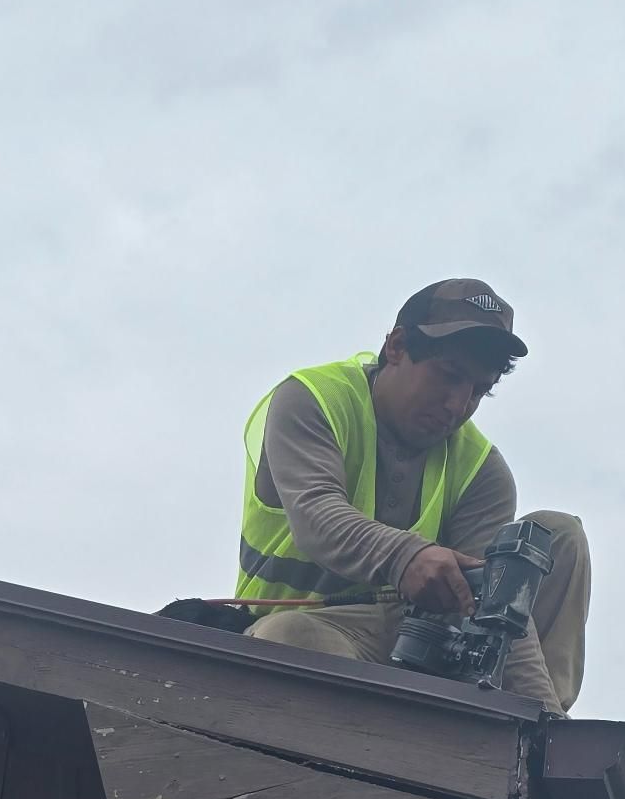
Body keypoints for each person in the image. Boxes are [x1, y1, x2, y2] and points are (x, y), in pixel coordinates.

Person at [238, 279, 588, 714]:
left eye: (480, 390)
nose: (458, 406)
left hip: (430, 644)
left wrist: (547, 721)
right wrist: (408, 556)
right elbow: (317, 516)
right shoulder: (314, 401)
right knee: (291, 639)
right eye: (449, 376)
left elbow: (501, 609)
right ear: (397, 346)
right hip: (320, 632)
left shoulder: (482, 469)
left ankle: (526, 728)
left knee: (559, 536)